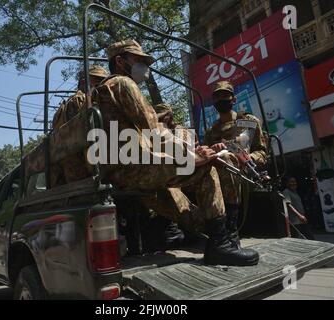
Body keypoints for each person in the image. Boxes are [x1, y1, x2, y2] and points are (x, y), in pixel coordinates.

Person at [91, 39, 259, 266]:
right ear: (120, 62)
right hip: (131, 168)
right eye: (138, 60)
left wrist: (191, 152)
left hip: (123, 166)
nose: (144, 65)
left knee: (202, 166)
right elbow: (155, 132)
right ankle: (221, 244)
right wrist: (192, 156)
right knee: (206, 167)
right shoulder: (122, 83)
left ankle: (223, 237)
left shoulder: (103, 90)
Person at [204, 80, 268, 246]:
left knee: (227, 159)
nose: (221, 100)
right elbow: (206, 154)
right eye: (217, 97)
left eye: (225, 96)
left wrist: (248, 159)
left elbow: (261, 152)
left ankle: (231, 230)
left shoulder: (247, 121)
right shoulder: (212, 131)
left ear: (233, 99)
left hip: (244, 170)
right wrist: (213, 149)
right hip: (218, 170)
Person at [50, 65, 109, 186]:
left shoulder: (65, 106)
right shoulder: (81, 100)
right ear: (84, 81)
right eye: (98, 80)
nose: (102, 84)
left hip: (69, 172)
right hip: (83, 170)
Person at [52, 65, 108, 131]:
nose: (102, 85)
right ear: (83, 82)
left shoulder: (76, 100)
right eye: (97, 82)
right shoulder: (79, 100)